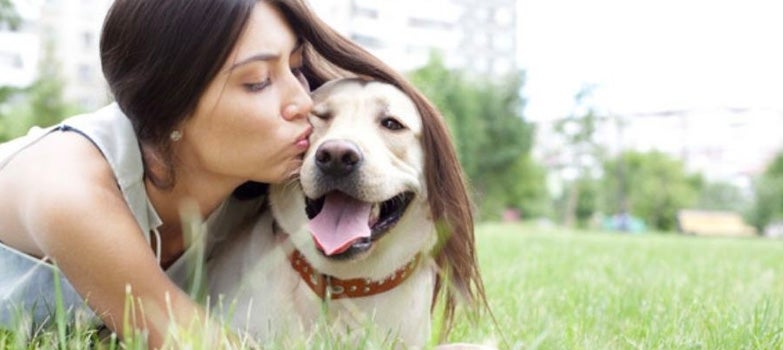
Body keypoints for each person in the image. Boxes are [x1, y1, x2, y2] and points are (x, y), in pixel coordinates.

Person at [0, 0, 482, 347]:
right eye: (257, 81)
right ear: (170, 109)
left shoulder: (265, 187)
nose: (303, 102)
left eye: (296, 67)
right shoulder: (73, 191)